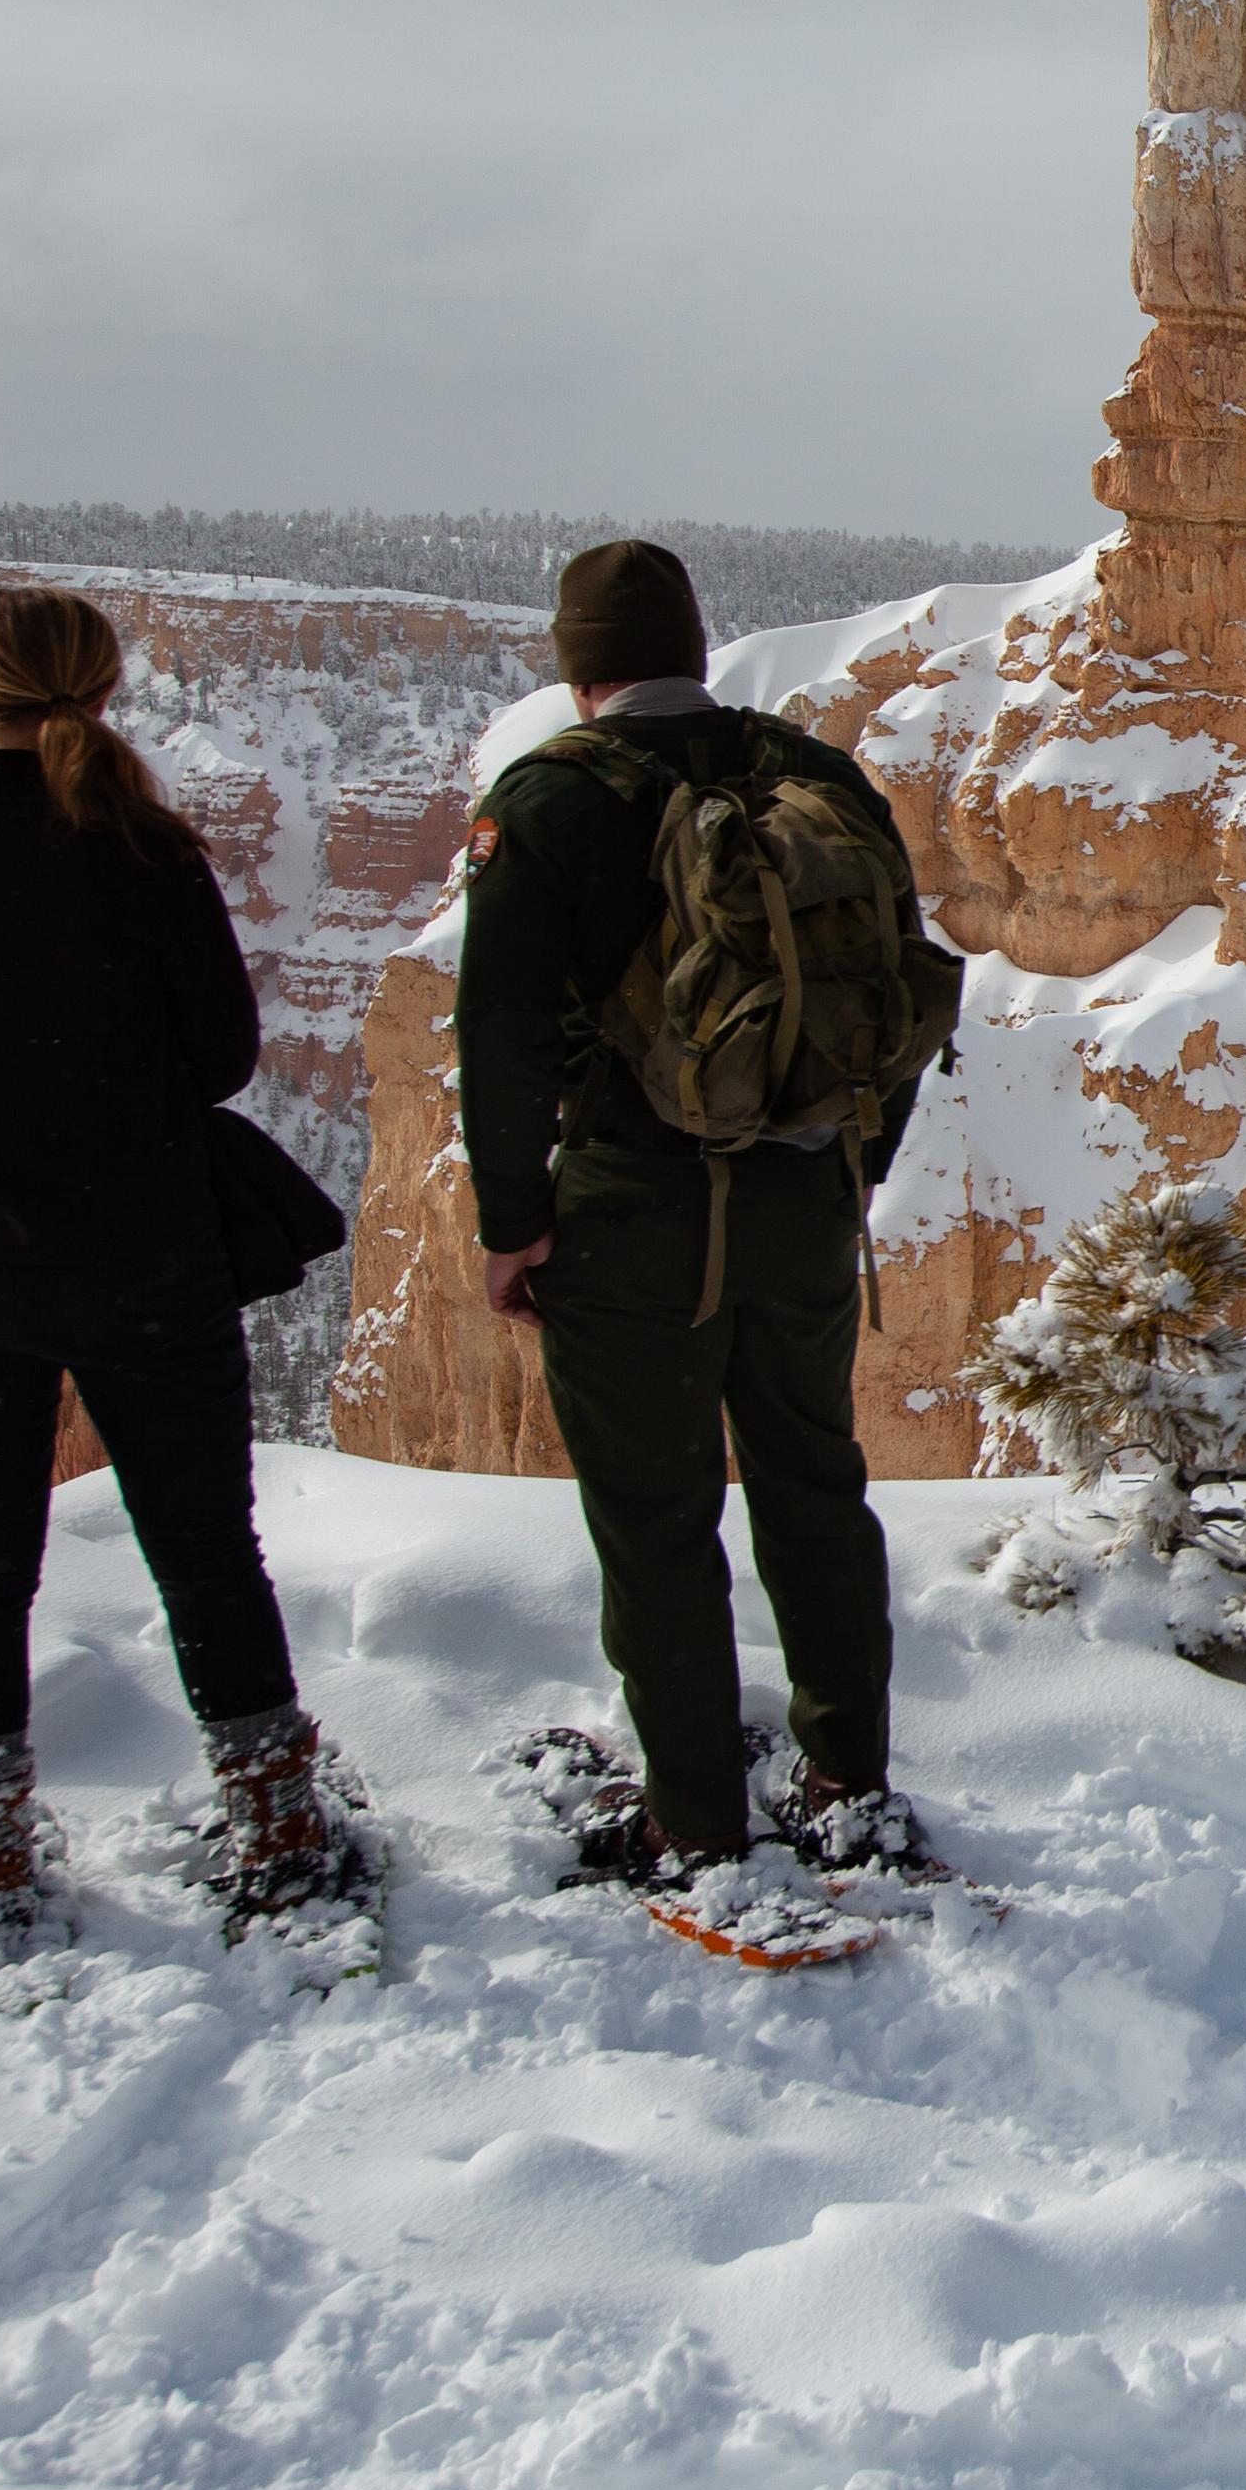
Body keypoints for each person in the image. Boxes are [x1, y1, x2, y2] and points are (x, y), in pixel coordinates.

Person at [0, 586, 354, 1944]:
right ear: (103, 692)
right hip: (146, 1265)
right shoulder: (149, 853)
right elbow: (225, 1057)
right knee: (205, 1554)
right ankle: (279, 1827)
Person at [454, 539, 933, 1882]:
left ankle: (696, 1819)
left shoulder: (549, 801)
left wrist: (511, 1222)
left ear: (578, 667)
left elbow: (497, 1035)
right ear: (689, 644)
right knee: (813, 1486)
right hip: (803, 1200)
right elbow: (894, 995)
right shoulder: (812, 774)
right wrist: (851, 1169)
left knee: (658, 1520)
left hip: (632, 1207)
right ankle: (846, 1770)